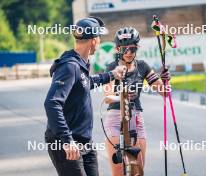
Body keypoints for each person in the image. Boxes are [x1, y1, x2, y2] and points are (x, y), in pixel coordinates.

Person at [44, 17, 126, 176]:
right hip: (65, 141)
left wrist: (112, 75)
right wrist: (67, 142)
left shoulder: (80, 63)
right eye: (99, 38)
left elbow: (84, 83)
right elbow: (52, 103)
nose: (100, 41)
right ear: (94, 41)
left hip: (84, 141)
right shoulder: (69, 66)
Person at [103, 27, 171, 176]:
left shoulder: (143, 66)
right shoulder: (112, 68)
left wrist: (166, 80)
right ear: (117, 49)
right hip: (115, 120)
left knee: (138, 170)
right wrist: (123, 96)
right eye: (124, 49)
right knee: (119, 172)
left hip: (136, 119)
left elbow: (165, 93)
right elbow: (108, 97)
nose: (128, 52)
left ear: (137, 48)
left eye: (132, 48)